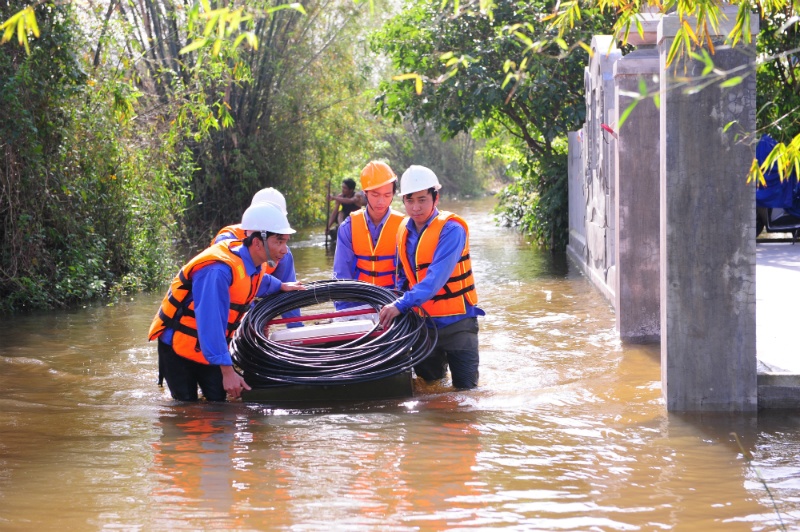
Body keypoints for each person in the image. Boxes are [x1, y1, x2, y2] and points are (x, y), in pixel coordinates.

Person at [148, 202, 305, 402]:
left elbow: (256, 281)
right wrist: (227, 370)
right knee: (186, 410)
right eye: (279, 242)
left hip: (208, 346)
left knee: (218, 404)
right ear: (258, 242)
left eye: (286, 242)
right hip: (180, 346)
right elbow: (211, 323)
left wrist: (281, 286)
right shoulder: (217, 271)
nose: (284, 250)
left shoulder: (253, 263)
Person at [378, 165, 484, 389]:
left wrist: (400, 304)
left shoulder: (452, 230)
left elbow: (436, 279)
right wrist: (396, 309)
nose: (415, 207)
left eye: (422, 199)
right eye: (409, 200)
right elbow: (402, 278)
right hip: (423, 326)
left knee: (466, 394)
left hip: (458, 324)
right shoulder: (402, 230)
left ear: (436, 198)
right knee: (429, 391)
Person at [213, 187, 302, 327]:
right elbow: (240, 282)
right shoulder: (227, 242)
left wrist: (297, 331)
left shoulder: (283, 253)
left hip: (261, 287)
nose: (282, 248)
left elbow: (289, 294)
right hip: (237, 298)